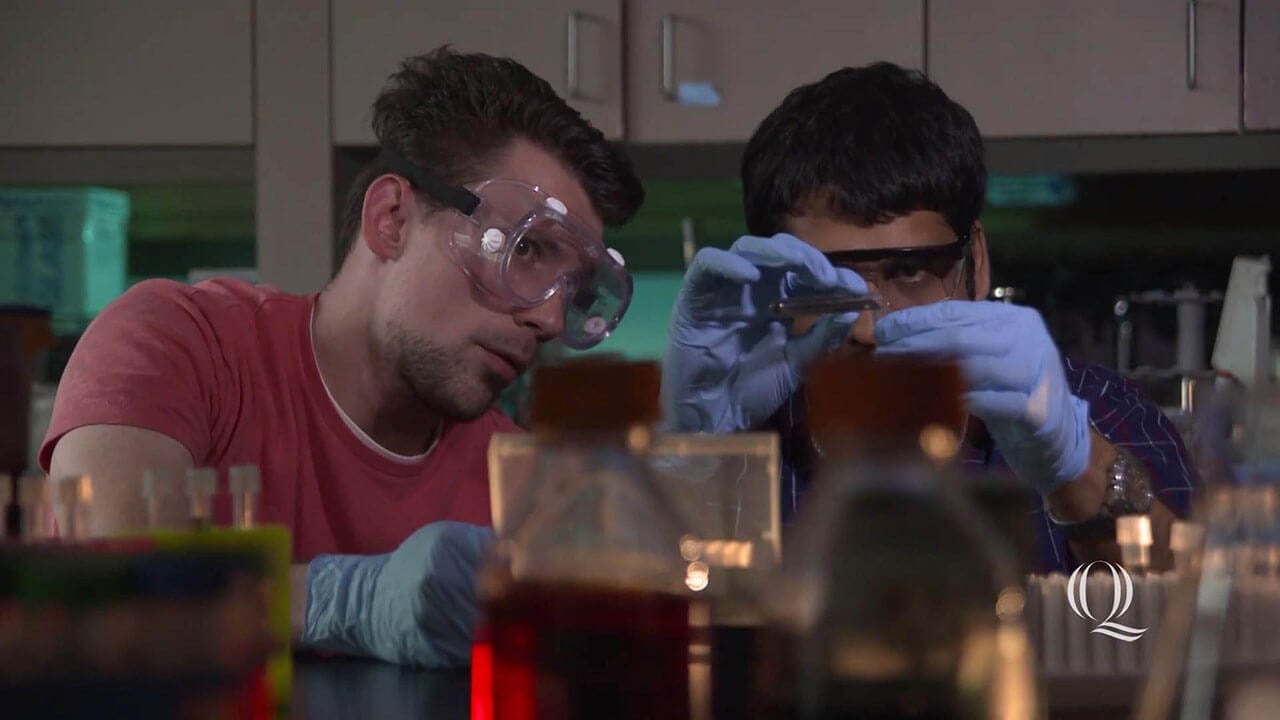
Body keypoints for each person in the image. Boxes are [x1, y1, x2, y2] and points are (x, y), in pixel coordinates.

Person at [41, 47, 644, 666]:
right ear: (392, 220)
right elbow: (116, 592)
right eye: (526, 251)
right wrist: (341, 600)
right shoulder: (180, 342)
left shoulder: (510, 479)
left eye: (569, 291)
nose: (547, 317)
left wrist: (713, 444)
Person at [662, 62, 1194, 573]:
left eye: (911, 270)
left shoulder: (1105, 411)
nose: (867, 329)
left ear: (976, 263)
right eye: (823, 288)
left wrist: (1080, 472)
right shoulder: (742, 433)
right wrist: (693, 463)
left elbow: (1196, 634)